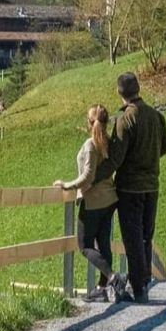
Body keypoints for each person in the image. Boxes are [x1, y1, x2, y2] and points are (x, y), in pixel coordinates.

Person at [53, 105, 127, 302]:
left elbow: (88, 176)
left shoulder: (91, 144)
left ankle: (113, 278)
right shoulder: (108, 143)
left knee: (84, 245)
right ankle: (102, 289)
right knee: (103, 244)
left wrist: (67, 186)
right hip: (109, 199)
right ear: (106, 122)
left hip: (93, 201)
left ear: (89, 122)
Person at [107, 72, 166, 303]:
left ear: (119, 92)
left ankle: (139, 287)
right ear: (138, 89)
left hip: (129, 188)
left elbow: (116, 158)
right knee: (146, 235)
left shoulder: (125, 120)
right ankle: (142, 281)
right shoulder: (156, 116)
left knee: (132, 238)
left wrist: (94, 178)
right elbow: (165, 146)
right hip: (152, 185)